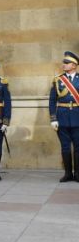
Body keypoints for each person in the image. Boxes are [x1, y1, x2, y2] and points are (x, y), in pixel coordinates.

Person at [49, 51, 79, 182]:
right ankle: (67, 173)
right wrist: (53, 118)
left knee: (78, 147)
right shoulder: (58, 80)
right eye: (64, 62)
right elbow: (52, 101)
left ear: (74, 65)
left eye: (67, 63)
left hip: (77, 117)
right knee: (65, 147)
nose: (64, 64)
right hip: (62, 117)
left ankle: (77, 174)